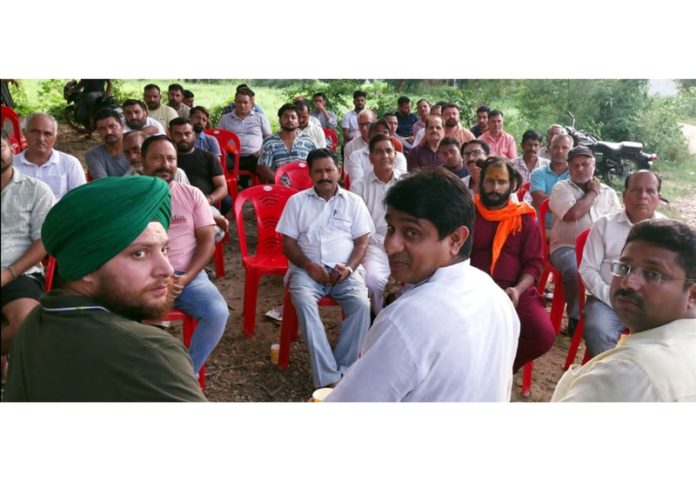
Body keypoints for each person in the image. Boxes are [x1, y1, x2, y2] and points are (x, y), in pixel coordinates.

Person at [4, 175, 206, 401]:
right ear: (86, 267)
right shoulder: (150, 351)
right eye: (139, 253)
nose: (167, 269)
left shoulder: (33, 323)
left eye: (164, 249)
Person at [326, 169, 520, 402]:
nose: (391, 245)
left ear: (456, 239)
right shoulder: (494, 295)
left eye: (412, 232)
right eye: (391, 229)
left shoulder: (406, 319)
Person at [552, 219, 696, 402]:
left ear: (692, 294)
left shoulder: (627, 373)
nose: (628, 281)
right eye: (624, 267)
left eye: (653, 274)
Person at [276, 148, 372, 388]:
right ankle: (329, 378)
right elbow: (287, 244)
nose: (325, 175)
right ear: (310, 174)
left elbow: (362, 243)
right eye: (318, 171)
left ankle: (345, 370)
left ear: (338, 171)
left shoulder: (354, 201)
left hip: (345, 272)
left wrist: (348, 269)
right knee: (304, 302)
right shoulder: (296, 202)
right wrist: (308, 266)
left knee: (361, 305)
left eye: (329, 170)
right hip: (306, 271)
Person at [141, 135, 228, 376]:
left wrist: (186, 277)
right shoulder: (129, 198)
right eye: (157, 158)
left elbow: (207, 241)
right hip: (143, 277)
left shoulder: (192, 195)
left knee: (217, 311)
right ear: (142, 161)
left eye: (170, 159)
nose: (165, 164)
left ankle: (185, 374)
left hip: (187, 275)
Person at [471, 158, 554, 372]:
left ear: (511, 184)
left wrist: (517, 289)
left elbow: (534, 263)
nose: (495, 187)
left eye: (501, 182)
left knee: (542, 335)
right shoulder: (468, 212)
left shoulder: (525, 217)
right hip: (471, 288)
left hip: (515, 290)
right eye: (490, 181)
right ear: (481, 182)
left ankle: (498, 369)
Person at [579, 171, 667, 356]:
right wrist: (611, 297)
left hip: (651, 303)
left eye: (650, 191)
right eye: (636, 190)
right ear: (624, 195)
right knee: (598, 330)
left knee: (669, 339)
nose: (643, 196)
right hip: (606, 300)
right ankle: (611, 380)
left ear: (658, 198)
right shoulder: (604, 225)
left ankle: (640, 379)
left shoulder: (669, 232)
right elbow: (588, 269)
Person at [549, 146, 621, 335]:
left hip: (601, 251)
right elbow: (573, 214)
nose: (580, 169)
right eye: (575, 165)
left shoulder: (609, 193)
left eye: (585, 164)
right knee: (574, 267)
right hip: (567, 247)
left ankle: (607, 313)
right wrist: (593, 193)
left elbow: (618, 224)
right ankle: (575, 317)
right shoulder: (561, 188)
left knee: (619, 270)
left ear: (594, 165)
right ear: (569, 169)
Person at [1, 131, 55, 354]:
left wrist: (8, 274)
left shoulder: (36, 190)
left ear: (12, 149)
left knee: (25, 321)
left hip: (19, 273)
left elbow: (43, 241)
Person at [349, 134, 402, 314]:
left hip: (403, 244)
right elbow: (357, 226)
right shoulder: (359, 187)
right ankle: (381, 321)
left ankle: (401, 320)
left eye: (389, 151)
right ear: (370, 157)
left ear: (395, 155)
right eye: (379, 152)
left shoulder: (406, 183)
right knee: (373, 280)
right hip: (374, 245)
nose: (385, 155)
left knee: (413, 281)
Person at [13, 112, 85, 200]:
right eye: (35, 132)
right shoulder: (12, 165)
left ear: (55, 137)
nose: (41, 138)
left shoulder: (70, 164)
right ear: (24, 133)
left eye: (47, 134)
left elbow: (81, 199)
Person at [169, 118, 231, 216]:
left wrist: (208, 200)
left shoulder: (209, 157)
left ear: (194, 135)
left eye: (187, 134)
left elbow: (222, 187)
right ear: (170, 135)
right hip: (172, 206)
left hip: (203, 205)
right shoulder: (166, 159)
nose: (183, 138)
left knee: (226, 203)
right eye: (178, 134)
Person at [217, 87, 272, 176]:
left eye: (245, 102)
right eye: (239, 102)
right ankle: (226, 186)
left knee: (265, 164)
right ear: (234, 102)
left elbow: (269, 138)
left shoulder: (260, 117)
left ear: (251, 103)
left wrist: (262, 150)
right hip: (231, 157)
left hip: (254, 157)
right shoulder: (225, 119)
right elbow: (218, 137)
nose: (242, 105)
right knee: (216, 161)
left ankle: (263, 188)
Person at [257, 103, 317, 184]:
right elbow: (263, 168)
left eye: (293, 117)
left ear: (298, 121)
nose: (289, 120)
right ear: (279, 120)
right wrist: (280, 182)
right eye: (286, 117)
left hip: (303, 187)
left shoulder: (308, 141)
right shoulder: (269, 142)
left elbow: (315, 164)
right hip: (278, 187)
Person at [530, 132, 573, 225]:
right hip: (542, 227)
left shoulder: (575, 175)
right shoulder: (538, 173)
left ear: (571, 151)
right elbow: (540, 202)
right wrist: (568, 206)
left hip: (569, 227)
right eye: (555, 147)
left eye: (565, 148)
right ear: (549, 150)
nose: (560, 151)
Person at [85, 109, 130, 179]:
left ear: (122, 126)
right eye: (102, 129)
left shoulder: (137, 147)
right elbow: (103, 184)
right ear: (98, 132)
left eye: (112, 126)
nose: (108, 132)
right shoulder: (93, 155)